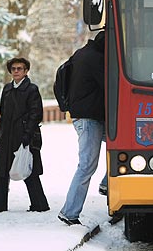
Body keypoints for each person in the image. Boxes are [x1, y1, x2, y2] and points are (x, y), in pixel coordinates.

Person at [0, 57, 49, 213]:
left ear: (26, 71)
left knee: (29, 170)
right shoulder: (7, 89)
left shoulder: (32, 89)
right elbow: (2, 114)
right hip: (7, 136)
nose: (16, 71)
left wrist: (27, 135)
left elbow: (36, 114)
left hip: (24, 136)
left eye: (19, 68)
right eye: (13, 69)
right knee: (2, 171)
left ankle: (39, 205)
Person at [58, 31, 105, 226]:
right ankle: (69, 212)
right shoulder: (96, 58)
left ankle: (106, 184)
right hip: (89, 119)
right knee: (86, 165)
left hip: (88, 116)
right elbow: (110, 84)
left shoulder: (81, 53)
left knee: (121, 147)